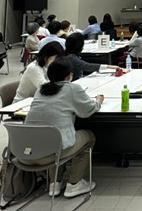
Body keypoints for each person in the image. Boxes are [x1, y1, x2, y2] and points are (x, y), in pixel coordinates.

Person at [21, 57, 103, 198]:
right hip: (50, 153)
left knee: (51, 138)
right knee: (88, 137)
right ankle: (74, 183)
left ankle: (55, 183)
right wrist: (98, 101)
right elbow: (87, 110)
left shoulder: (41, 90)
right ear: (69, 75)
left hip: (26, 152)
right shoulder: (72, 88)